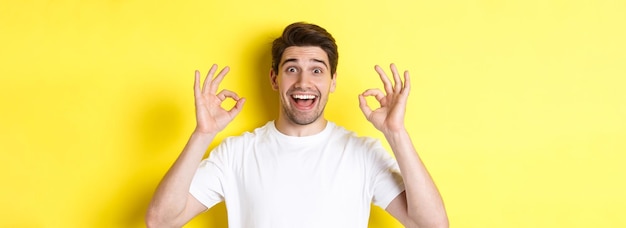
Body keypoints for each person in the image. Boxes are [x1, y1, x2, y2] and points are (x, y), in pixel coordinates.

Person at [146, 22, 448, 228]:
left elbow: (432, 224)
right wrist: (202, 135)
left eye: (317, 70)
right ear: (275, 79)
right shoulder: (236, 153)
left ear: (332, 82)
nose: (304, 82)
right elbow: (160, 220)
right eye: (292, 69)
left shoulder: (362, 153)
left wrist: (396, 134)